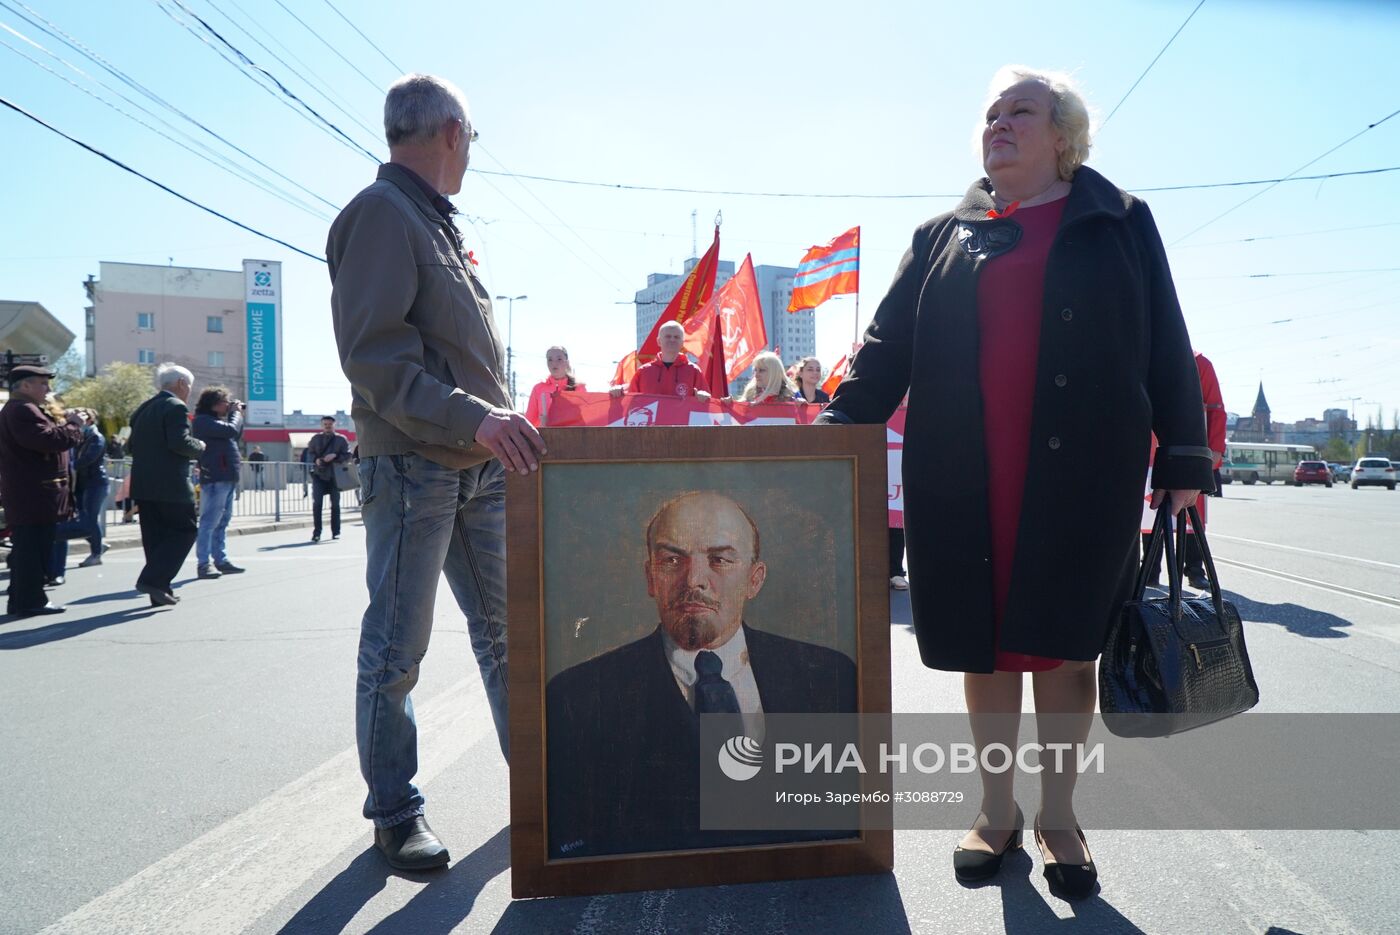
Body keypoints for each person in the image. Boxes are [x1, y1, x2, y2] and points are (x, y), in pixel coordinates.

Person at [816, 66, 1211, 900]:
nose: (998, 123)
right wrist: (822, 440)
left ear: (1063, 134)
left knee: (1066, 650)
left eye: (1019, 112)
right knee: (984, 648)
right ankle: (995, 809)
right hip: (963, 475)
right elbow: (884, 353)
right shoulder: (941, 236)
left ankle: (1058, 815)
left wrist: (1183, 455)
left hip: (1084, 476)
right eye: (991, 114)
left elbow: (1166, 340)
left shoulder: (1119, 221)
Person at [327, 72, 545, 872]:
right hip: (417, 463)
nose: (471, 154)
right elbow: (376, 359)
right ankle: (394, 810)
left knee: (507, 634)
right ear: (452, 133)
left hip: (473, 465)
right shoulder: (382, 214)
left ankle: (544, 785)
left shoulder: (432, 221)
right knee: (396, 646)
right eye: (473, 140)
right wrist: (479, 418)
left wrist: (492, 422)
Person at [546, 491, 856, 859]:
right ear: (650, 577)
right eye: (671, 559)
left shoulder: (828, 676)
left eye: (720, 560)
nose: (694, 580)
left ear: (755, 579)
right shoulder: (577, 697)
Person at [0, 364, 84, 617]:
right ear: (25, 386)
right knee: (34, 549)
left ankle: (21, 599)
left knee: (29, 548)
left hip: (29, 493)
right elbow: (48, 440)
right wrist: (73, 425)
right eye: (42, 383)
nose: (47, 389)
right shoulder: (23, 410)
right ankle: (31, 601)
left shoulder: (20, 409)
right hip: (34, 494)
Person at [1142, 350, 1227, 589]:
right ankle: (1149, 570)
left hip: (1189, 453)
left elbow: (1216, 408)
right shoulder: (1144, 355)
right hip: (1148, 452)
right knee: (1151, 514)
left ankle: (1194, 570)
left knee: (1191, 515)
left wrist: (1215, 449)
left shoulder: (1199, 362)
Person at [128, 363, 205, 607]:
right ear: (182, 383)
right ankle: (152, 580)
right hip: (171, 485)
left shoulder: (144, 408)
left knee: (156, 538)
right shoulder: (175, 406)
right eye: (189, 386)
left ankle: (160, 590)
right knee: (185, 531)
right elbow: (180, 443)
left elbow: (129, 446)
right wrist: (200, 446)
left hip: (143, 484)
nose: (189, 392)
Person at [192, 386, 246, 578]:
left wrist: (236, 415)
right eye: (225, 402)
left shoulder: (215, 422)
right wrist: (235, 414)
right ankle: (203, 563)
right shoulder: (203, 421)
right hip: (215, 477)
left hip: (227, 476)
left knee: (222, 521)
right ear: (214, 404)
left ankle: (220, 560)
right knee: (209, 521)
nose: (228, 405)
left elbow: (235, 433)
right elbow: (231, 430)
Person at [54, 408, 109, 569]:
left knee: (90, 518)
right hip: (82, 483)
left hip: (96, 483)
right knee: (82, 518)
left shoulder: (96, 437)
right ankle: (97, 543)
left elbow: (88, 458)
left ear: (90, 421)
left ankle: (96, 553)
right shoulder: (81, 437)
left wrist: (67, 466)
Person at [611, 321, 712, 398]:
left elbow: (707, 404)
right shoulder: (644, 372)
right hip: (652, 425)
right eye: (668, 336)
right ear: (659, 341)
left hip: (682, 425)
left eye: (676, 337)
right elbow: (630, 401)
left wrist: (704, 397)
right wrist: (618, 392)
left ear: (682, 343)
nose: (672, 340)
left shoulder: (693, 371)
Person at [306, 416, 350, 542]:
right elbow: (309, 454)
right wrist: (316, 460)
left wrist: (335, 456)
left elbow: (348, 455)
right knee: (317, 504)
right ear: (322, 425)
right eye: (325, 424)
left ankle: (336, 532)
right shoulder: (316, 438)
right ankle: (317, 533)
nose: (327, 426)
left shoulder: (341, 439)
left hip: (336, 477)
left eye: (330, 424)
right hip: (319, 475)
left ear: (334, 425)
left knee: (335, 505)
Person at [523, 346, 587, 426]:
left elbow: (585, 419)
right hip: (545, 437)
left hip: (571, 436)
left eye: (559, 359)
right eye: (550, 360)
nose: (554, 363)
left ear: (567, 362)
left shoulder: (578, 388)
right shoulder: (538, 389)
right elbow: (529, 421)